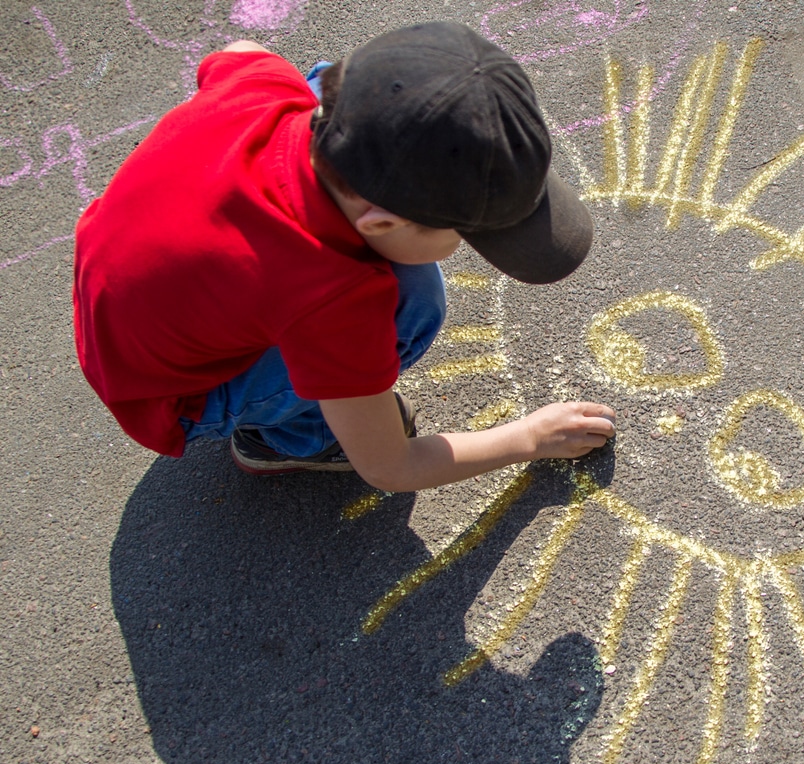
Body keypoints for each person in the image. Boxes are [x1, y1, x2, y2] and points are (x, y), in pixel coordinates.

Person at [73, 22, 615, 493]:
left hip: (120, 297)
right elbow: (390, 466)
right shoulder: (331, 299)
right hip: (168, 394)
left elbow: (239, 49)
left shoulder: (268, 88)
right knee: (413, 307)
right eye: (465, 234)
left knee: (402, 283)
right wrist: (530, 438)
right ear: (379, 221)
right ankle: (289, 438)